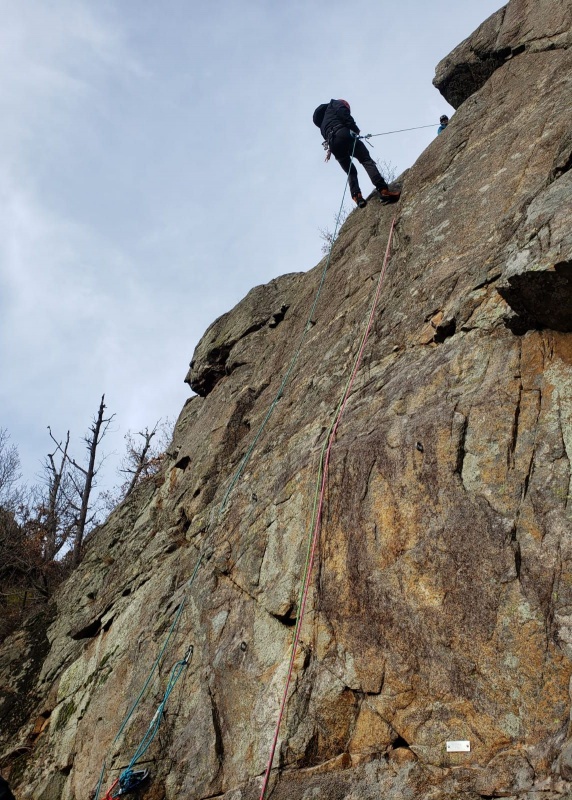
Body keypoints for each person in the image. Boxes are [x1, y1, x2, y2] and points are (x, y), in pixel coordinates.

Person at [313, 99, 400, 208]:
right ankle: (383, 190)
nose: (348, 108)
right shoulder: (335, 103)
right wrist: (354, 129)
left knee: (351, 171)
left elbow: (328, 137)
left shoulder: (322, 124)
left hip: (333, 144)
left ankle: (357, 197)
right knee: (365, 159)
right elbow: (343, 113)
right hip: (344, 134)